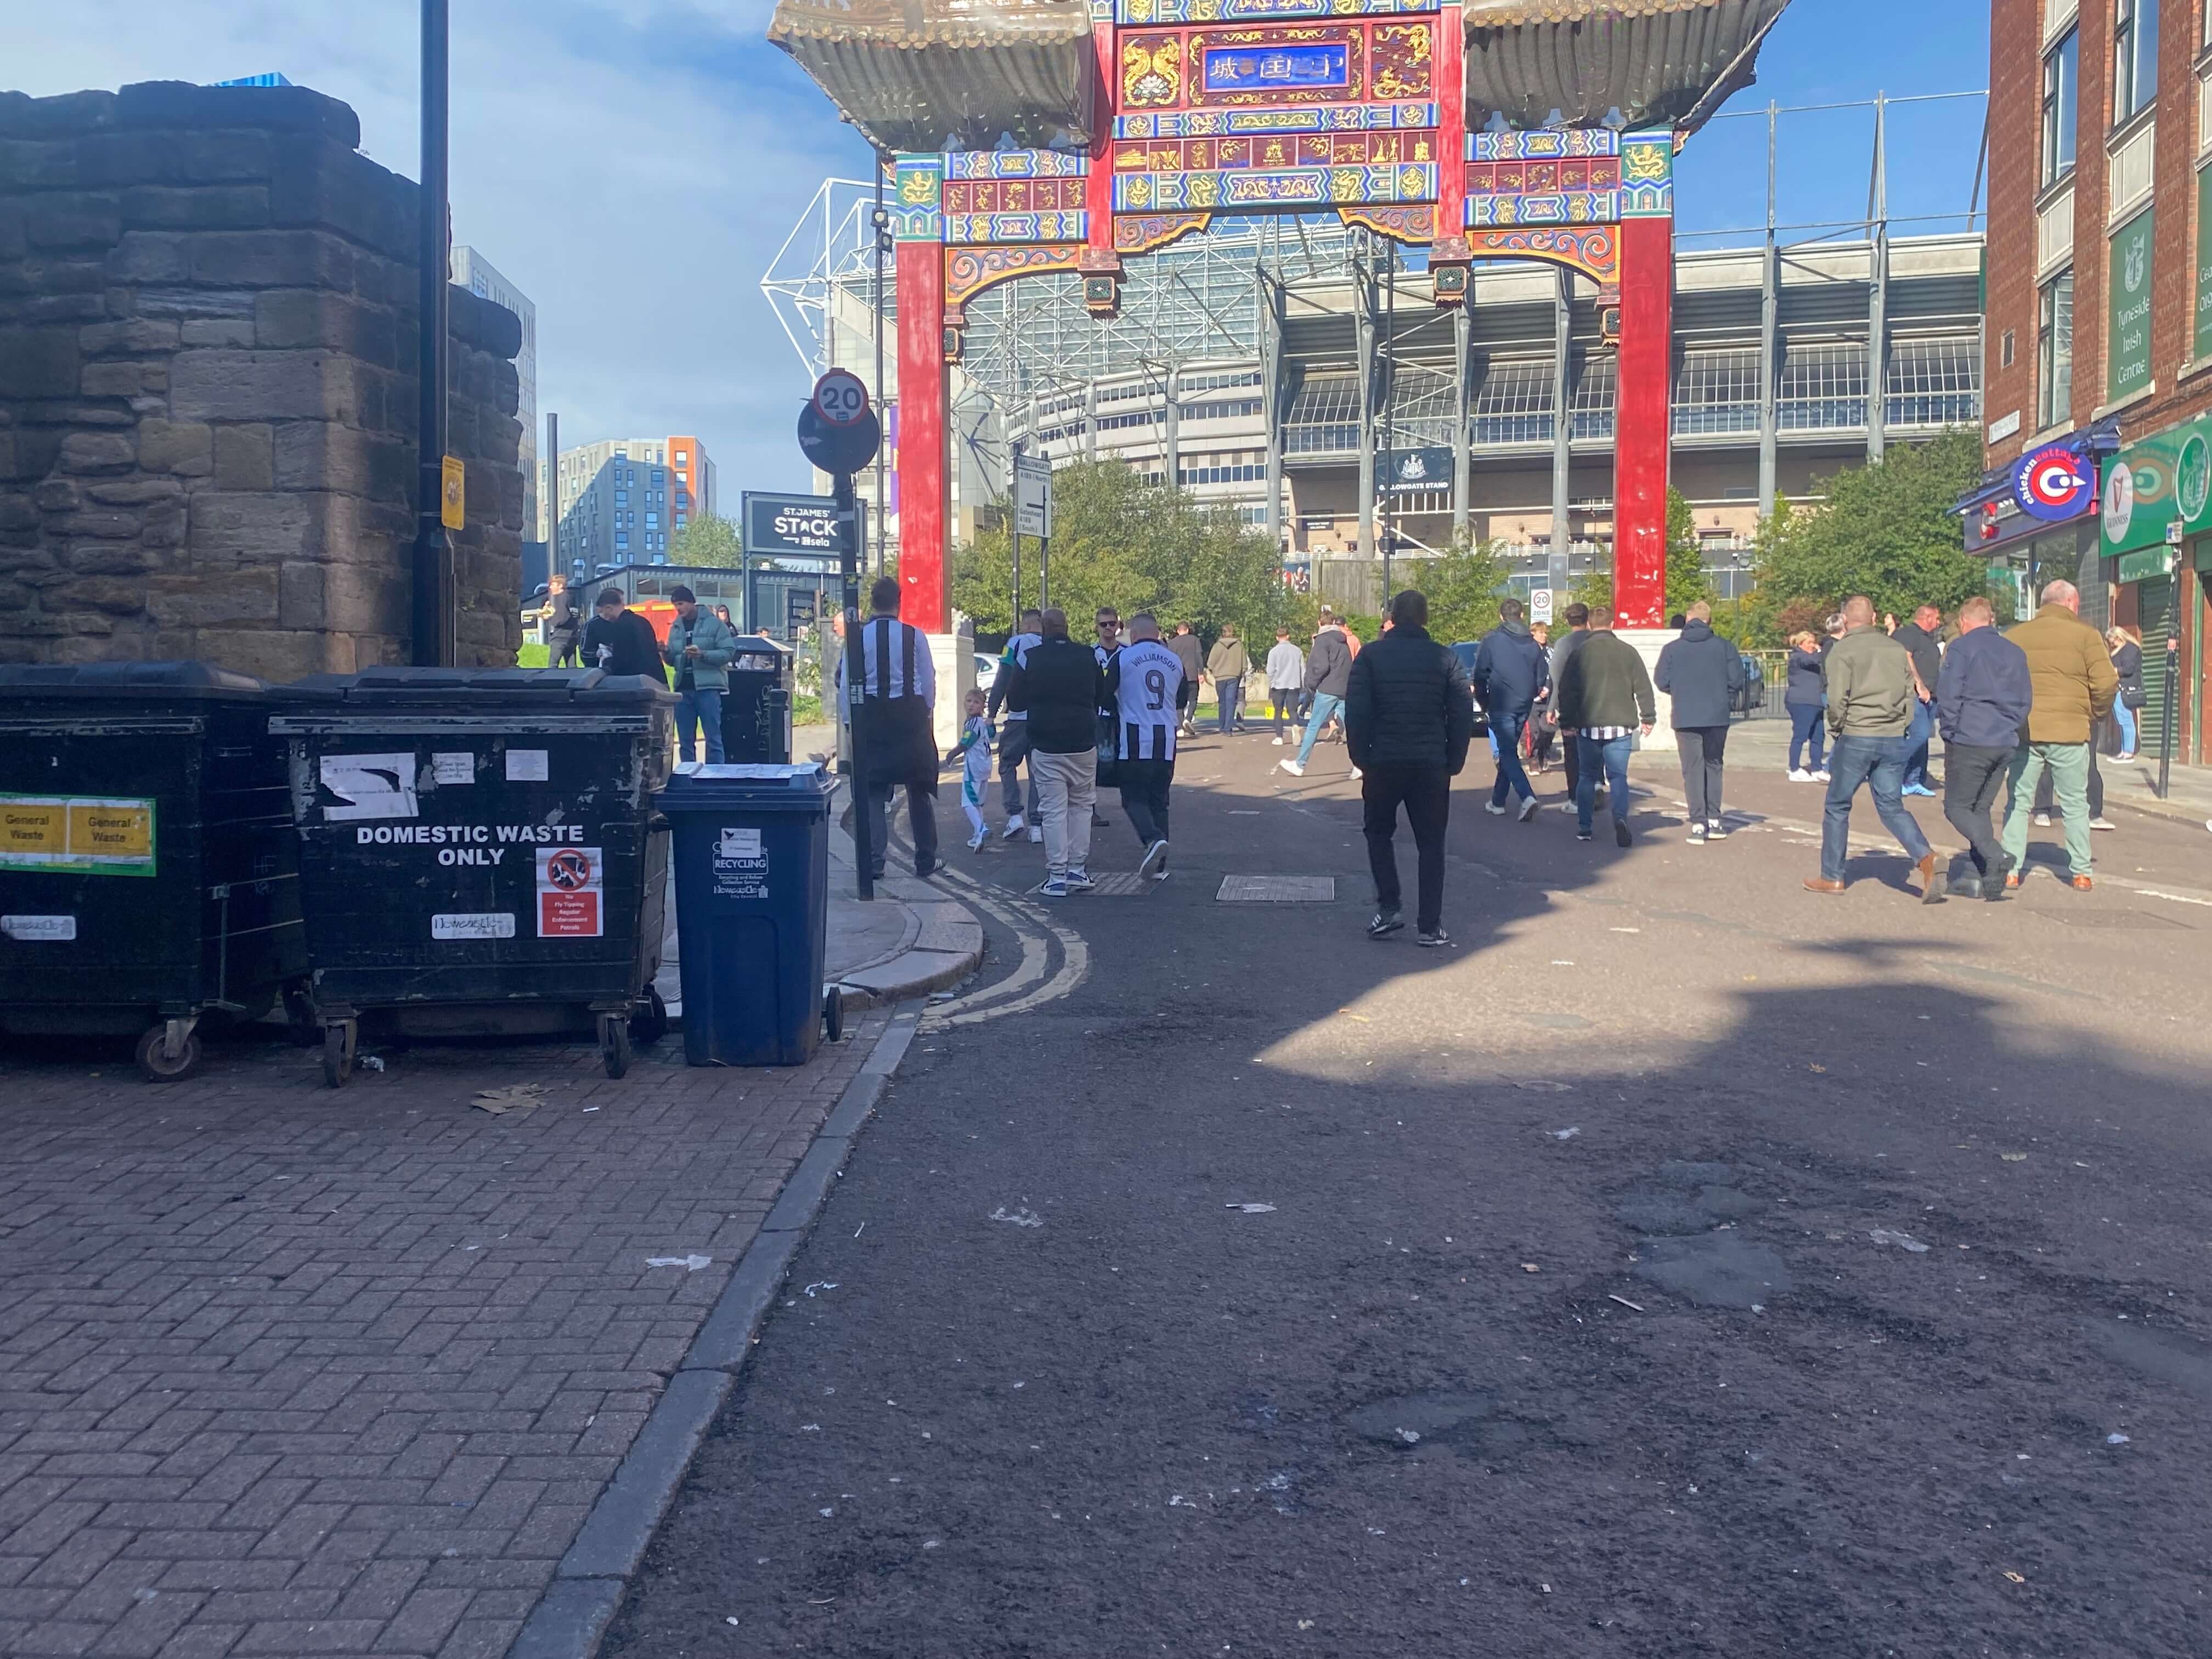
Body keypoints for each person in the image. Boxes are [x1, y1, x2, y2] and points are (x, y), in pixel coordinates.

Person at [1345, 589, 1474, 946]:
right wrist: (1455, 758)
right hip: (1430, 761)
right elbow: (1462, 710)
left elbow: (1356, 711)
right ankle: (1430, 925)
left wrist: (1360, 757)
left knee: (1378, 833)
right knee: (1431, 843)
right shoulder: (1445, 658)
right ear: (1425, 618)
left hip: (1383, 759)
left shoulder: (1371, 656)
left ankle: (1389, 907)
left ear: (1392, 616)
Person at [1802, 595, 1939, 901]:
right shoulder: (1894, 649)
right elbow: (1909, 692)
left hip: (1857, 734)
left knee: (1838, 805)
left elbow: (1837, 700)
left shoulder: (1842, 651)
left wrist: (1837, 729)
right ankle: (1926, 857)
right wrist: (1901, 726)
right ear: (1875, 618)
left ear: (1846, 620)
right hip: (1892, 736)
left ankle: (1833, 876)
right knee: (1891, 806)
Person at [1999, 578, 2119, 893]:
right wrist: (2096, 712)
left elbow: (2000, 682)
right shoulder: (2086, 636)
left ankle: (2011, 869)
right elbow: (2106, 682)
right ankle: (2080, 872)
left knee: (2018, 801)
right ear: (2069, 603)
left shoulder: (2015, 636)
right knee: (2076, 804)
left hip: (2026, 731)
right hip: (2070, 731)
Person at [837, 576, 941, 881]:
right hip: (910, 716)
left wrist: (849, 722)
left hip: (872, 716)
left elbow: (847, 685)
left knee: (872, 790)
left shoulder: (857, 637)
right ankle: (925, 860)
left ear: (872, 602)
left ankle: (874, 863)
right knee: (919, 788)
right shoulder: (915, 636)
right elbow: (928, 680)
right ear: (899, 601)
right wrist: (926, 714)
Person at [1001, 608, 1105, 898]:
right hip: (1083, 740)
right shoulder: (1088, 655)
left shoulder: (1032, 658)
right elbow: (1102, 694)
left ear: (1044, 630)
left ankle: (1057, 875)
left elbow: (1016, 699)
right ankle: (1078, 869)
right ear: (1067, 627)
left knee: (1053, 810)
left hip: (1046, 743)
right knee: (1082, 806)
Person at [1935, 596, 2033, 900]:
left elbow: (1949, 694)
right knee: (1980, 809)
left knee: (1957, 808)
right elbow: (2025, 699)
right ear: (1991, 620)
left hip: (1971, 738)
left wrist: (1951, 731)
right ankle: (1983, 877)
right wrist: (2009, 727)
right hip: (2003, 739)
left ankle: (1995, 856)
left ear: (1964, 622)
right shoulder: (2015, 652)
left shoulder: (1962, 648)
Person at [1555, 606, 1654, 848]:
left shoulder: (1579, 653)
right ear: (1613, 624)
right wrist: (1648, 717)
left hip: (1588, 725)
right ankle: (1620, 818)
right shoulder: (1628, 652)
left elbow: (1567, 691)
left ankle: (1585, 827)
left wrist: (1566, 722)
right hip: (1620, 725)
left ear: (1589, 625)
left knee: (1587, 777)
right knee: (1618, 776)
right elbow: (1643, 687)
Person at [1652, 600, 1745, 843]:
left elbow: (1661, 681)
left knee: (1692, 769)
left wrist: (1681, 692)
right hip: (1717, 715)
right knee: (1714, 765)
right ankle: (1715, 820)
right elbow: (1737, 680)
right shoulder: (1725, 647)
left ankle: (1697, 823)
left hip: (1685, 716)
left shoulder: (1673, 649)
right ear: (1709, 621)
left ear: (1687, 619)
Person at [1105, 612, 1182, 880]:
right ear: (1158, 633)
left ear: (1133, 634)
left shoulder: (1123, 657)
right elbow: (1181, 699)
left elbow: (1105, 695)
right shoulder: (1174, 660)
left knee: (1133, 798)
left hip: (1135, 738)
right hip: (1166, 740)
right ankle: (1160, 866)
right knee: (1159, 802)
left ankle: (1152, 839)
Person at [1471, 596, 1547, 822]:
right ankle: (1497, 801)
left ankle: (1527, 796)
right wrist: (1531, 693)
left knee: (1506, 752)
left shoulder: (1492, 641)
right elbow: (1542, 676)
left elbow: (1480, 673)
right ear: (1522, 616)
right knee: (1508, 751)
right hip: (1524, 703)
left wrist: (1484, 702)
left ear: (1501, 617)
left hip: (1501, 702)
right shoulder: (1533, 644)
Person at [662, 585, 737, 765]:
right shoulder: (676, 627)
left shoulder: (714, 624)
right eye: (675, 605)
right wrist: (665, 652)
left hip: (708, 689)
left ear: (691, 602)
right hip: (683, 689)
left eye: (681, 604)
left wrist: (703, 655)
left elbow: (729, 652)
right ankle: (689, 776)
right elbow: (673, 660)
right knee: (685, 741)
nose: (678, 609)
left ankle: (715, 777)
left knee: (713, 738)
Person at [1279, 608, 1357, 778]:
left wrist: (1311, 684)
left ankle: (1300, 764)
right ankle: (1359, 764)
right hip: (1344, 688)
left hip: (1328, 688)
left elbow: (1320, 666)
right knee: (1351, 728)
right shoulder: (1343, 641)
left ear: (1320, 623)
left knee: (1313, 726)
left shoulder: (1322, 640)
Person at [989, 608, 1045, 843]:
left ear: (1026, 625)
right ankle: (1037, 826)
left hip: (1019, 718)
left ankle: (1014, 816)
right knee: (1038, 772)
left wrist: (991, 713)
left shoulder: (1015, 643)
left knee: (1007, 765)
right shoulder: (1050, 646)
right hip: (1043, 718)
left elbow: (1003, 677)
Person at [1546, 603, 1596, 806]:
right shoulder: (1600, 641)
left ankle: (1575, 798)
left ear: (1568, 621)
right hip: (1599, 702)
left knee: (1573, 752)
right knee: (1596, 747)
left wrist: (1552, 706)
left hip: (1573, 704)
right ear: (1588, 619)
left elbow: (1556, 676)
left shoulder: (1564, 644)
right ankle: (1597, 784)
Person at [1893, 603, 1945, 796]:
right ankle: (1892, 772)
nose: (1939, 623)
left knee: (1924, 742)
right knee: (1919, 735)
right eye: (1937, 619)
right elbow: (1906, 658)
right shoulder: (1907, 634)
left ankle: (1914, 780)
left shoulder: (1928, 639)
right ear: (1927, 617)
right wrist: (1919, 685)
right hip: (1914, 695)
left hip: (1931, 697)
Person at [946, 687, 995, 852]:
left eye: (976, 702)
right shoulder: (981, 722)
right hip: (985, 767)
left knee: (967, 803)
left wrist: (952, 754)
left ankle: (982, 828)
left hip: (974, 768)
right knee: (977, 803)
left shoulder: (973, 723)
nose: (971, 705)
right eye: (969, 701)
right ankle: (977, 835)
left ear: (982, 706)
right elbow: (991, 733)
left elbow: (966, 742)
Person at [580, 589, 665, 682]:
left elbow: (621, 661)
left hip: (635, 682)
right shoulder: (642, 621)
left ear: (609, 608)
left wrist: (605, 661)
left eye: (602, 612)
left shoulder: (620, 626)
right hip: (656, 679)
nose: (602, 616)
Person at [1784, 629, 1828, 781]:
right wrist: (1820, 651)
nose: (1813, 646)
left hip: (1815, 702)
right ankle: (1794, 768)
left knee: (1818, 736)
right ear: (1801, 644)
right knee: (1800, 735)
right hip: (1801, 702)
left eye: (1813, 642)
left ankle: (1817, 769)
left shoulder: (1811, 658)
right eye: (1809, 643)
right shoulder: (1798, 657)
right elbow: (1810, 661)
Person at [1205, 624, 1251, 735]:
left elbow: (1210, 663)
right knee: (1231, 702)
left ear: (1222, 633)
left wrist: (1214, 671)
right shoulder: (1239, 646)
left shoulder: (1217, 646)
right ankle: (1228, 728)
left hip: (1220, 677)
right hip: (1234, 677)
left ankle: (1222, 726)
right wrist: (1240, 672)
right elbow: (1244, 664)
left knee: (1223, 702)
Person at [2108, 625, 2144, 760]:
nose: (2111, 645)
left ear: (2119, 637)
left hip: (2126, 687)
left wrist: (2114, 671)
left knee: (2126, 719)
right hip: (2118, 687)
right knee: (2121, 719)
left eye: (2112, 642)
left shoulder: (2130, 649)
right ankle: (2124, 750)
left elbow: (2128, 669)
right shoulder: (2120, 649)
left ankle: (2128, 751)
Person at [1265, 627, 1306, 744]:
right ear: (1288, 636)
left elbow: (1270, 670)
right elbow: (1302, 669)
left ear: (1277, 638)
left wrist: (1271, 683)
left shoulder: (1274, 652)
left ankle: (1279, 737)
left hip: (1278, 685)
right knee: (1292, 710)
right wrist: (1302, 684)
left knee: (1278, 711)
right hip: (1293, 684)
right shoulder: (1297, 651)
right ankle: (1295, 725)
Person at [1169, 622, 1206, 737]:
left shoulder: (1172, 643)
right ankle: (1188, 719)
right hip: (1192, 674)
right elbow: (1199, 656)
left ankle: (1180, 728)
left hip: (1178, 675)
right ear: (1188, 630)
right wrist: (1201, 672)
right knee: (1193, 699)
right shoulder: (1195, 640)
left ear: (1178, 631)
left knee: (1179, 702)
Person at [547, 575, 582, 668]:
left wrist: (550, 618)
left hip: (560, 636)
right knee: (572, 666)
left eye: (553, 585)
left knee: (553, 666)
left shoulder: (560, 599)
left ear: (560, 586)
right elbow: (574, 614)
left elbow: (562, 618)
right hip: (572, 635)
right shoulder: (570, 597)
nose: (550, 587)